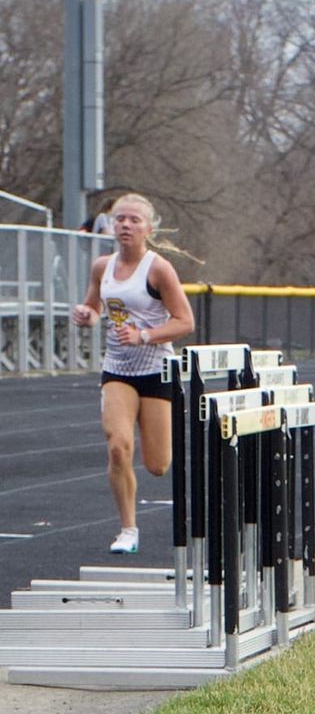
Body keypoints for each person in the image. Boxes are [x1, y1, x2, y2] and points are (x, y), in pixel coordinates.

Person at [70, 192, 195, 552]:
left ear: (148, 229)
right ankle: (128, 529)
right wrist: (86, 316)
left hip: (155, 369)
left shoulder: (158, 269)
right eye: (120, 218)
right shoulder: (102, 266)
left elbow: (185, 321)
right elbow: (94, 308)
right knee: (118, 446)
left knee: (157, 465)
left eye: (133, 220)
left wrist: (145, 335)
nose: (125, 225)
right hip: (117, 369)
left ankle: (151, 450)